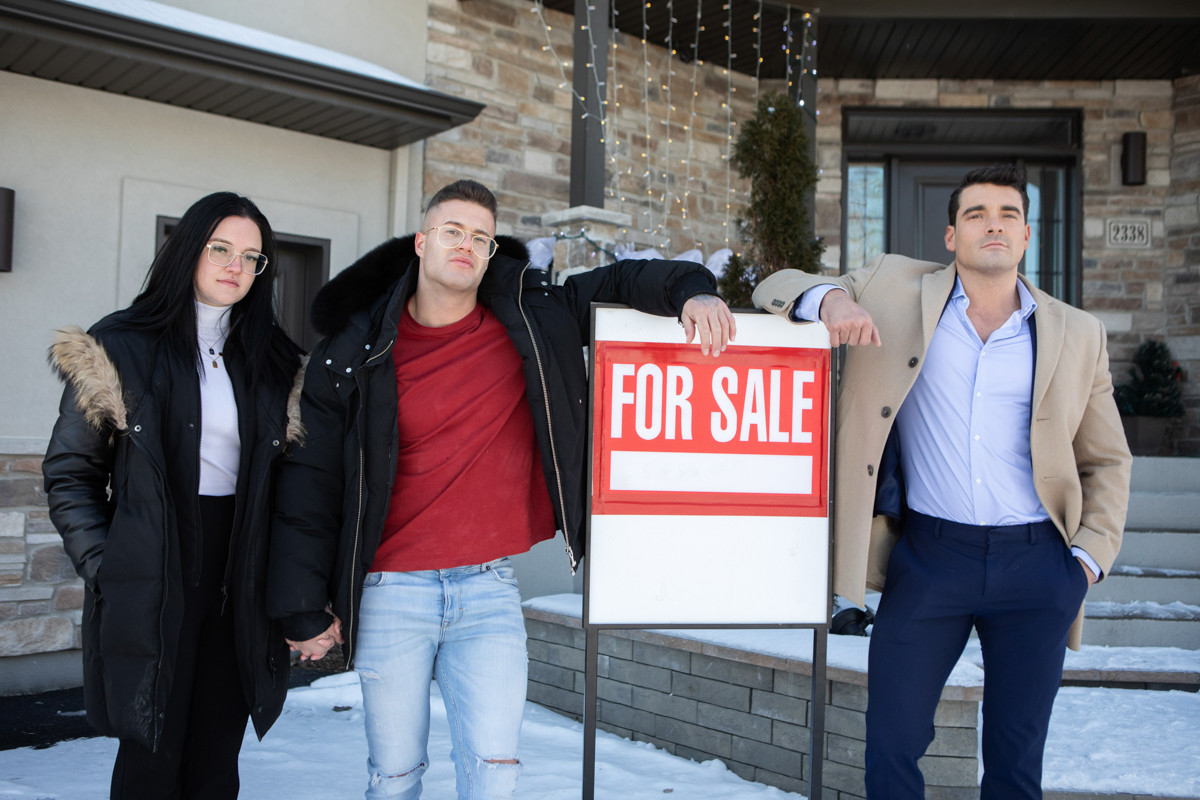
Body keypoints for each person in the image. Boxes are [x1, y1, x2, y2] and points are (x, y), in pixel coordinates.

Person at [267, 179, 735, 799]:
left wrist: (693, 291)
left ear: (492, 253)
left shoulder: (532, 320)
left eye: (480, 237)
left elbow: (625, 278)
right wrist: (303, 604)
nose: (466, 245)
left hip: (488, 591)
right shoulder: (357, 350)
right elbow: (311, 481)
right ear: (421, 242)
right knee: (395, 776)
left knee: (494, 775)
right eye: (452, 231)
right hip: (391, 591)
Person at [753, 164, 1130, 799]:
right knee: (891, 746)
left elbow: (1108, 459)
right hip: (930, 560)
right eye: (977, 214)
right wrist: (832, 300)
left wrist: (1087, 561)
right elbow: (775, 285)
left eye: (1008, 215)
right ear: (951, 235)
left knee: (1015, 764)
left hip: (1039, 566)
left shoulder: (1078, 333)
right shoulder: (893, 288)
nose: (994, 226)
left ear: (1027, 235)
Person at [42, 192, 305, 799]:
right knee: (151, 761)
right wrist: (108, 565)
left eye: (251, 257)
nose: (235, 266)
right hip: (152, 570)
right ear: (188, 250)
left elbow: (296, 488)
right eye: (220, 249)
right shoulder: (121, 346)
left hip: (240, 577)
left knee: (216, 760)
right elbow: (71, 472)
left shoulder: (277, 362)